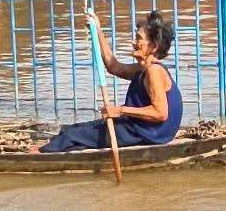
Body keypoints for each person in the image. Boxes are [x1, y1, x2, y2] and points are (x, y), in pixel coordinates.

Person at [36, 10, 183, 153]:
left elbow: (160, 113)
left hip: (148, 133)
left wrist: (119, 110)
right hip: (142, 129)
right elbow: (114, 67)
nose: (133, 42)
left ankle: (38, 154)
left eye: (139, 38)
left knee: (71, 136)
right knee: (71, 130)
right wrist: (97, 31)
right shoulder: (143, 68)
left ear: (154, 46)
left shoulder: (154, 71)